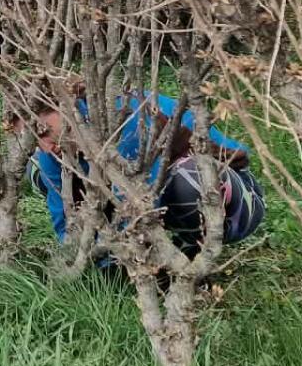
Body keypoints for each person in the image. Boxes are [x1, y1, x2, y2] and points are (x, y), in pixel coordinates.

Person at [17, 91, 265, 261]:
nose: (46, 146)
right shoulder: (53, 152)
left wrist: (116, 254)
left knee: (189, 182)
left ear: (65, 106)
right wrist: (78, 258)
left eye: (44, 131)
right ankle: (153, 254)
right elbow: (64, 220)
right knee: (38, 170)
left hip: (233, 197)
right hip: (144, 201)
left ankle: (189, 254)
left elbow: (141, 205)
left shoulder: (125, 118)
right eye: (34, 139)